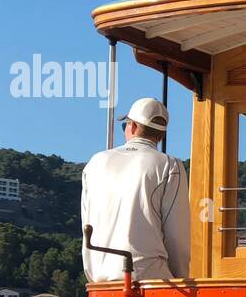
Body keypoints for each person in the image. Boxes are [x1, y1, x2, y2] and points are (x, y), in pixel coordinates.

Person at [81, 97, 190, 282]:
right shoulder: (169, 165)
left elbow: (86, 225)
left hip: (101, 281)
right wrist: (180, 279)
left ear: (131, 126)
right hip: (151, 279)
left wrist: (93, 277)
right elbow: (176, 235)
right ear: (161, 136)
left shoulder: (96, 162)